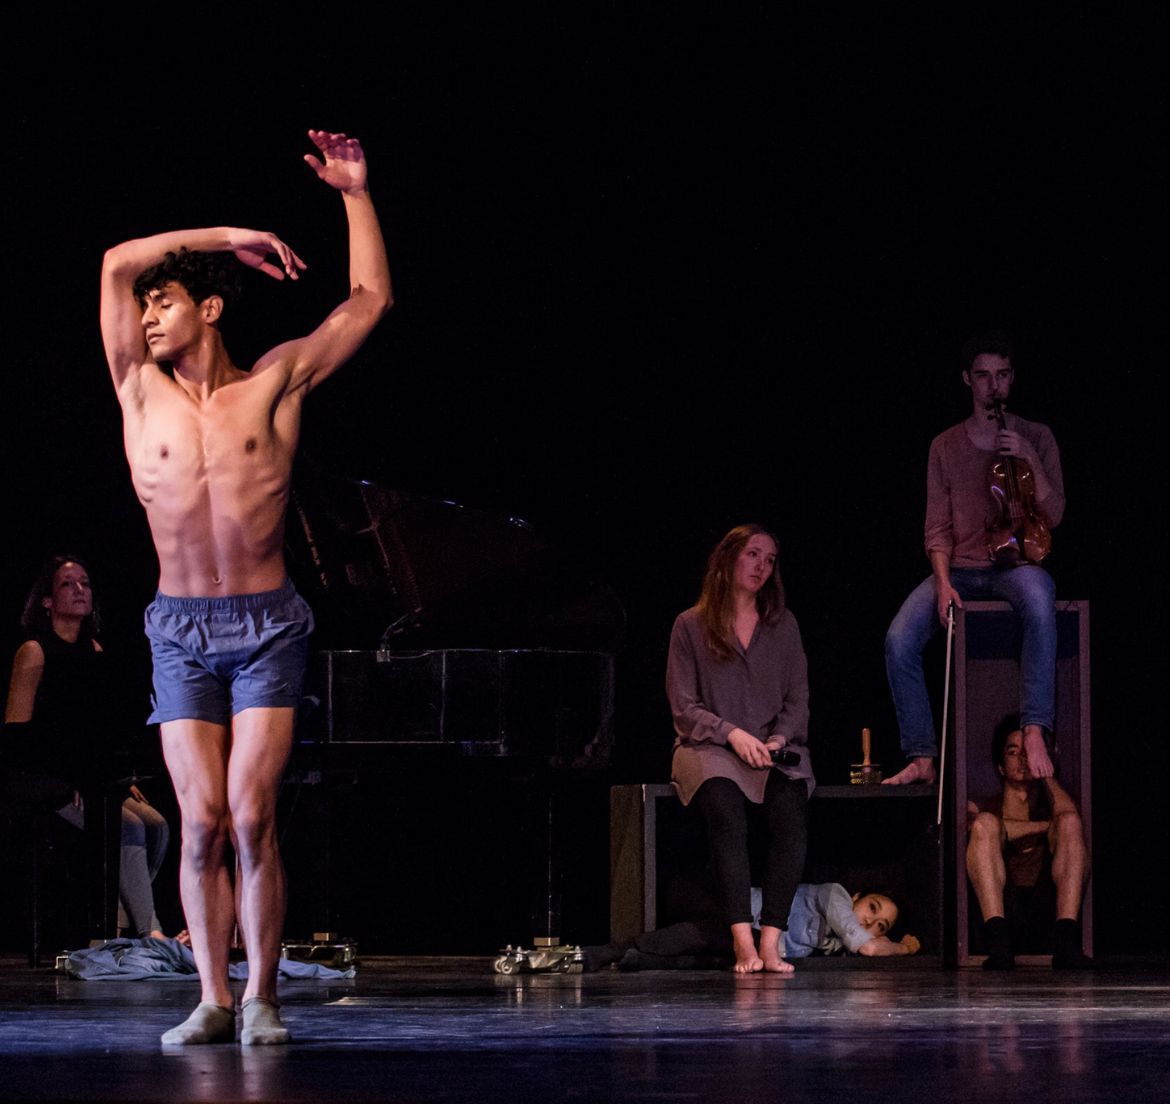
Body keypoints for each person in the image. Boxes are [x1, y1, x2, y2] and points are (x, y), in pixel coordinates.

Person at [99, 130, 392, 1045]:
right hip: (179, 628)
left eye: (167, 303)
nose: (148, 317)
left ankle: (261, 995)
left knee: (254, 815)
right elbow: (116, 260)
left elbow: (369, 299)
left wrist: (352, 193)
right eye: (143, 309)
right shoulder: (135, 391)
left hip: (268, 626)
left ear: (211, 309)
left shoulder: (274, 385)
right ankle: (213, 1001)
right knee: (199, 824)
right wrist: (229, 232)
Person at [884, 331, 1064, 786]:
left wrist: (1028, 458)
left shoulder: (1037, 436)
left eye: (1002, 376)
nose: (993, 386)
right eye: (983, 376)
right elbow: (936, 527)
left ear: (1011, 379)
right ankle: (922, 754)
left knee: (1042, 599)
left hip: (1014, 566)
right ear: (968, 379)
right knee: (898, 641)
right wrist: (943, 583)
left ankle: (1035, 726)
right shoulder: (945, 445)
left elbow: (1055, 512)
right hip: (960, 568)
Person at [666, 524, 812, 974]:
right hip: (710, 747)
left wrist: (777, 738)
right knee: (726, 813)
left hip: (770, 751)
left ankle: (771, 940)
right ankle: (741, 940)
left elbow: (797, 699)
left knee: (790, 817)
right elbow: (684, 706)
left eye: (770, 559)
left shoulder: (783, 626)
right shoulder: (690, 625)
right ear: (728, 560)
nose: (762, 567)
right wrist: (732, 733)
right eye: (753, 555)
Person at [4, 555, 170, 941]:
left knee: (157, 825)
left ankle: (114, 925)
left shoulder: (93, 650)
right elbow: (16, 736)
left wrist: (115, 779)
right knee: (125, 826)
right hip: (40, 777)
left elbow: (93, 731)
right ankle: (151, 932)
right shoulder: (34, 650)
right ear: (46, 600)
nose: (80, 590)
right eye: (67, 584)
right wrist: (64, 783)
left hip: (83, 775)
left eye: (85, 583)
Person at [966, 716, 1091, 969]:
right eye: (1013, 752)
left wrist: (1044, 771)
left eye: (1029, 752)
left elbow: (1072, 819)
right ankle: (999, 944)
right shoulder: (983, 807)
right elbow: (977, 826)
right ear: (1001, 766)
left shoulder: (1056, 809)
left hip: (1046, 912)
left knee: (1068, 823)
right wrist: (1044, 827)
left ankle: (1066, 943)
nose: (1023, 758)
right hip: (1003, 915)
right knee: (985, 824)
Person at [583, 883, 920, 971]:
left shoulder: (836, 948)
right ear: (858, 896)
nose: (869, 922)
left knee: (710, 962)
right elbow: (870, 947)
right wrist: (903, 948)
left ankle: (632, 959)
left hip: (753, 950)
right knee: (707, 938)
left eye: (880, 925)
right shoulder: (835, 895)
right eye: (872, 908)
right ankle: (609, 951)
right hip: (733, 911)